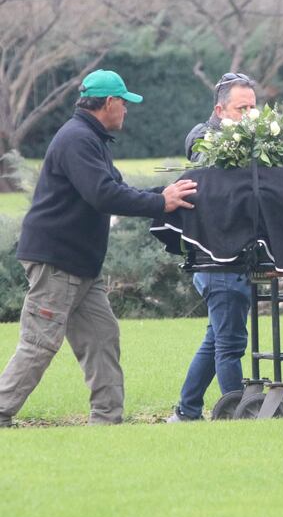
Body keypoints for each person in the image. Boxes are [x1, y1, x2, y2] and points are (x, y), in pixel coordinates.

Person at [0, 69, 197, 427]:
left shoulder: (91, 139)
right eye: (124, 102)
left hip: (80, 264)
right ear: (109, 103)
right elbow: (102, 195)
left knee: (102, 336)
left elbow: (116, 190)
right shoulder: (77, 139)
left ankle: (107, 420)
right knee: (39, 342)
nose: (126, 110)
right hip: (57, 260)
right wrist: (160, 204)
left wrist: (166, 197)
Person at [167, 73, 258, 421]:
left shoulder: (252, 140)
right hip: (217, 258)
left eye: (254, 108)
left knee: (216, 340)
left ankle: (187, 411)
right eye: (241, 108)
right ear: (219, 110)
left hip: (230, 257)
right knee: (231, 344)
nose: (250, 115)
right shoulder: (206, 138)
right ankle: (237, 414)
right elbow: (199, 146)